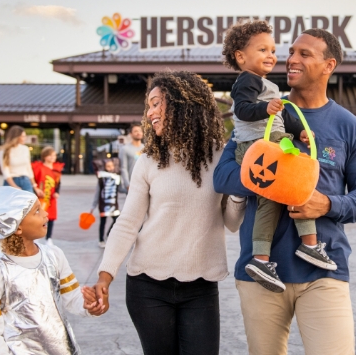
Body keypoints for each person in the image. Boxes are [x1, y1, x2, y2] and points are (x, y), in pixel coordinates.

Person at [214, 29, 356, 354]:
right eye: (291, 52)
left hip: (324, 272)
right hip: (260, 272)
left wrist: (326, 204)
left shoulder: (349, 127)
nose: (291, 59)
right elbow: (222, 176)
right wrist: (276, 180)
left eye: (305, 54)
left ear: (328, 64)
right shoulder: (262, 116)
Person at [91, 71, 246, 355]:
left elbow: (232, 223)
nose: (149, 113)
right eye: (148, 105)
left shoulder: (220, 157)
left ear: (182, 105)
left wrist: (238, 189)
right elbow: (127, 224)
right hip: (147, 288)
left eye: (156, 103)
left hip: (201, 286)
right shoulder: (149, 160)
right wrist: (105, 276)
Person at [221, 20, 331, 293]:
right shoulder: (247, 80)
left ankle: (262, 258)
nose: (271, 55)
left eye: (272, 50)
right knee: (298, 184)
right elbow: (243, 111)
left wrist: (299, 132)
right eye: (262, 50)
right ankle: (308, 244)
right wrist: (265, 107)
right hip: (258, 147)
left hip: (272, 144)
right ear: (241, 56)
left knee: (273, 201)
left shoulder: (266, 84)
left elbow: (282, 118)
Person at [0, 186, 101, 354]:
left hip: (59, 348)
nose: (45, 214)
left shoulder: (54, 255)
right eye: (37, 211)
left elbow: (72, 298)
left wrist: (88, 305)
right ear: (17, 228)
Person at [0, 125, 42, 197]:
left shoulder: (25, 149)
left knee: (30, 206)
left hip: (26, 181)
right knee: (11, 207)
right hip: (11, 182)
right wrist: (14, 186)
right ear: (16, 137)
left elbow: (28, 168)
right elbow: (6, 172)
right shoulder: (4, 151)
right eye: (23, 136)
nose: (25, 138)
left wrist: (34, 186)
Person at [32, 146, 64, 246]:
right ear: (45, 156)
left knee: (51, 217)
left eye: (54, 155)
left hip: (51, 197)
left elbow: (58, 183)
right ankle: (36, 236)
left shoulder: (56, 169)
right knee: (39, 217)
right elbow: (33, 180)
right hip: (41, 197)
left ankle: (48, 237)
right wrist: (36, 190)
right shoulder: (39, 167)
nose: (53, 158)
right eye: (50, 156)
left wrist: (57, 192)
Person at [91, 160, 120, 248]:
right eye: (108, 166)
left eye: (111, 166)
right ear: (104, 167)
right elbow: (97, 192)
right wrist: (93, 206)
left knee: (117, 220)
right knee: (103, 222)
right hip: (103, 204)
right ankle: (101, 239)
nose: (110, 168)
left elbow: (121, 189)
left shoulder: (116, 177)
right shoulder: (101, 179)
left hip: (113, 204)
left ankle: (108, 235)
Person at [119, 123, 145, 192]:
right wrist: (127, 185)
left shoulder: (146, 149)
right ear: (130, 134)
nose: (138, 133)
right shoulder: (124, 149)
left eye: (140, 131)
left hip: (145, 184)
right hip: (132, 184)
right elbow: (123, 168)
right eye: (135, 131)